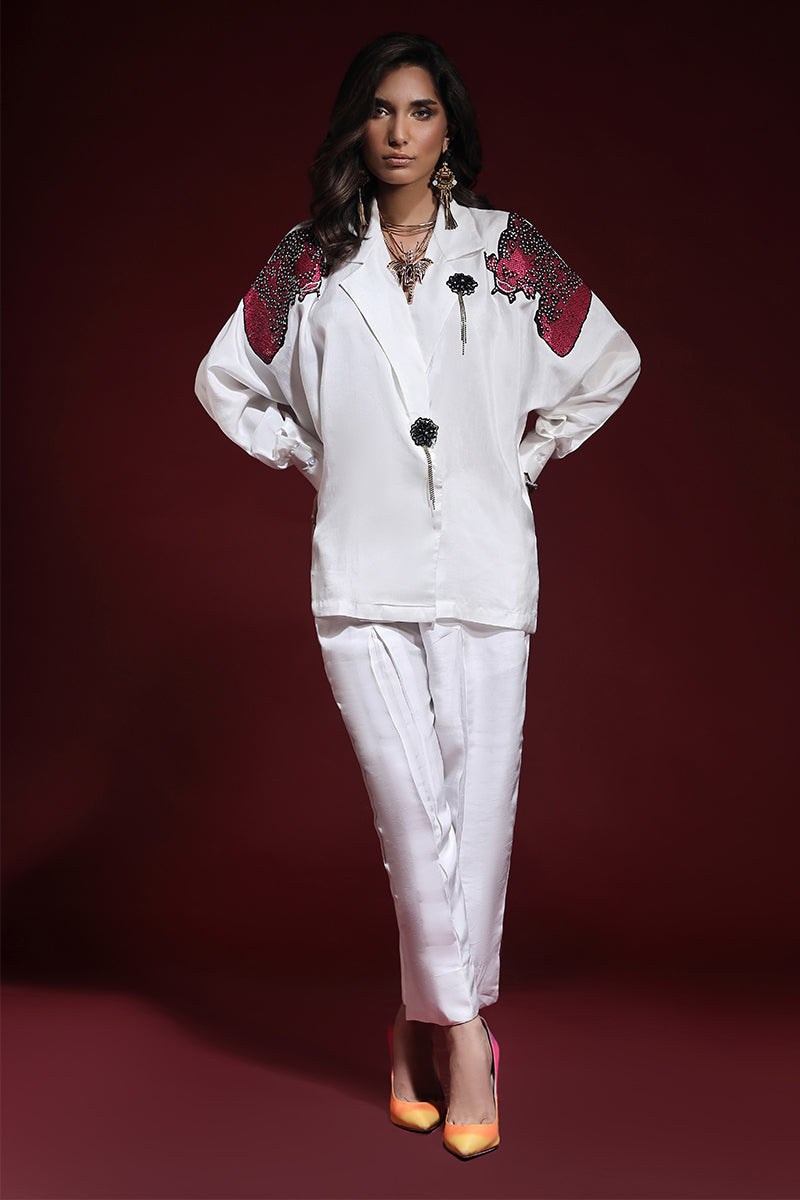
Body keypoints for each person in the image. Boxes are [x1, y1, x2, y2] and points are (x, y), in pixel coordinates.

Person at [195, 32, 640, 1160]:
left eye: (421, 111)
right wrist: (315, 457)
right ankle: (468, 1034)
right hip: (360, 567)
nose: (398, 131)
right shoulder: (308, 262)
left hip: (486, 565)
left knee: (475, 814)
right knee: (410, 815)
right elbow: (225, 379)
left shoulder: (508, 250)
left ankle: (414, 1025)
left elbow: (608, 362)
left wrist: (521, 457)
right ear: (358, 125)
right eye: (381, 110)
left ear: (450, 132)